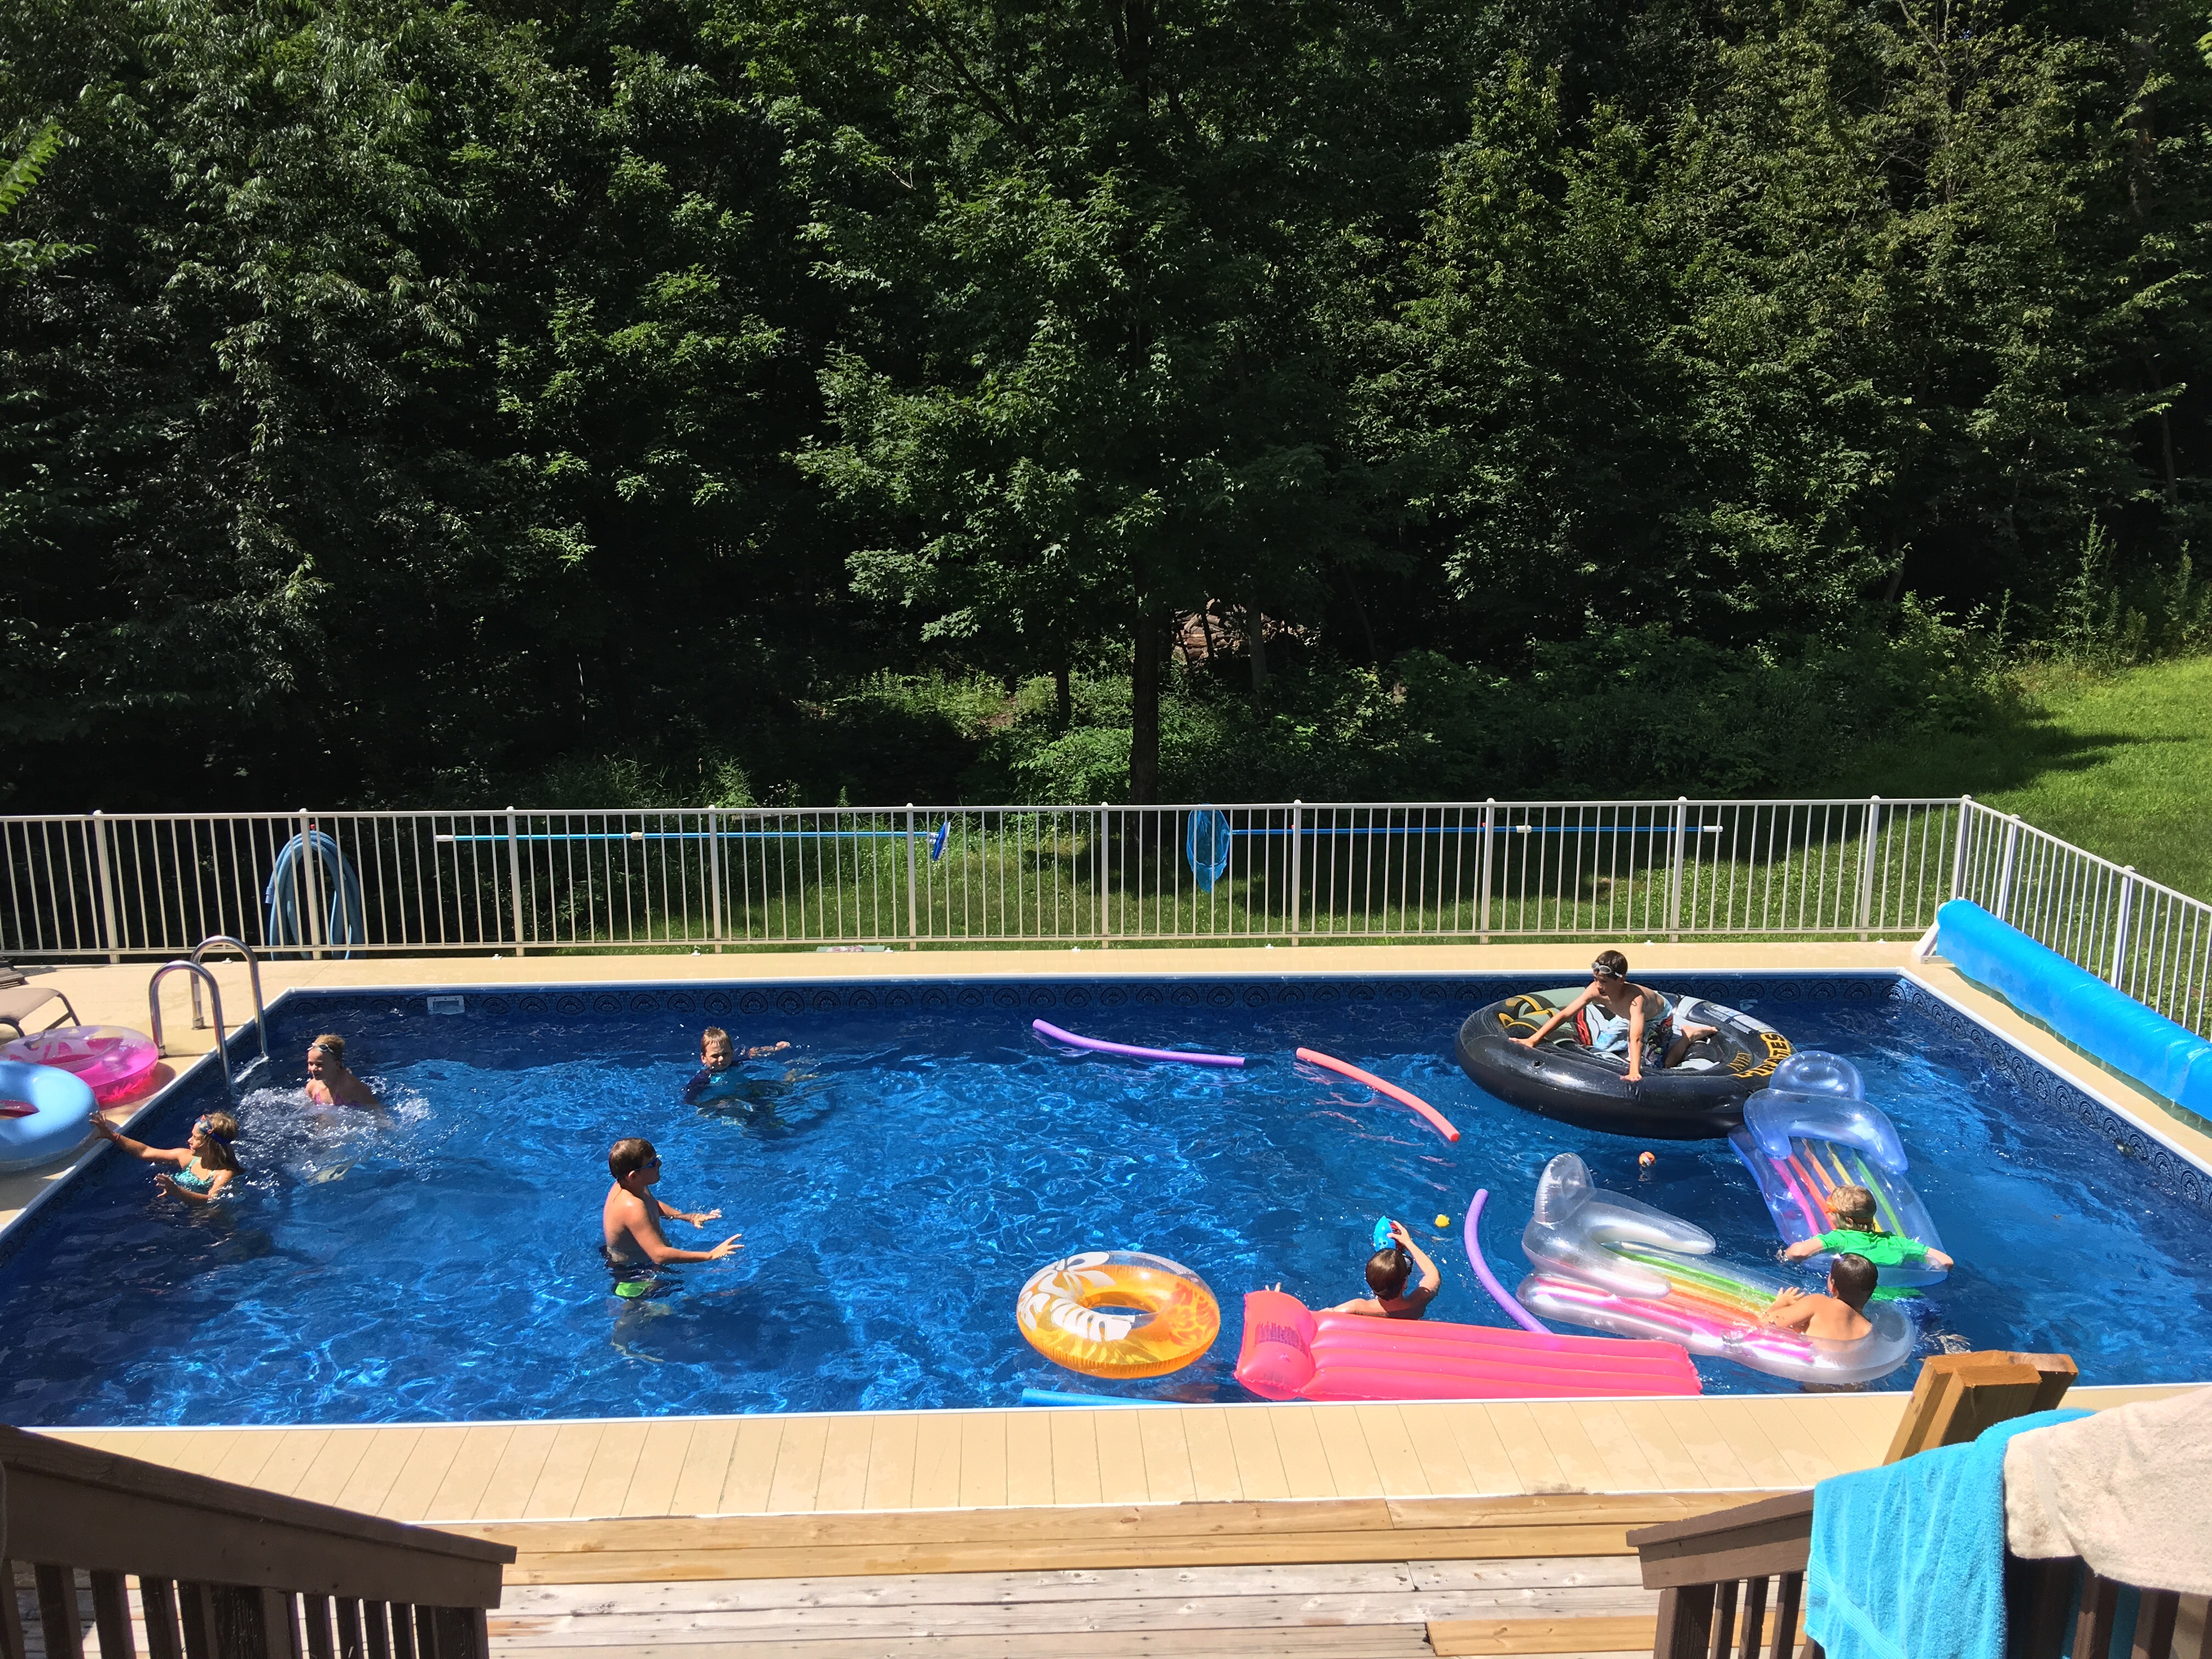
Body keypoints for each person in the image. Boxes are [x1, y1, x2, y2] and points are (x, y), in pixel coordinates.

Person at [1510, 951, 1718, 1084]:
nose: (1599, 986)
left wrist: (1634, 1071)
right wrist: (1533, 1040)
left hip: (1656, 1019)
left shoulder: (1635, 999)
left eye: (1604, 982)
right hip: (1625, 1017)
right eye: (1596, 979)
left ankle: (1687, 1037)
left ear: (1621, 980)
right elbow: (1565, 1014)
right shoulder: (1595, 990)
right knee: (1600, 1049)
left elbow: (1636, 1037)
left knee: (1659, 1067)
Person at [602, 1137, 742, 1295]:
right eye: (653, 1163)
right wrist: (710, 1255)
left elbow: (653, 1204)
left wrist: (686, 1216)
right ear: (633, 1176)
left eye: (657, 1159)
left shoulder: (632, 1186)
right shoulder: (632, 1207)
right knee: (672, 1306)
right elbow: (659, 1255)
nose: (660, 1164)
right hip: (633, 1275)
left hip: (641, 1262)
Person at [1781, 1184, 1954, 1274]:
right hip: (1909, 1297)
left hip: (1872, 1301)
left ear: (1848, 1221)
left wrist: (1783, 1256)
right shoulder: (1895, 1242)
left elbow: (1799, 1252)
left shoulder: (1840, 1238)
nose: (1829, 1215)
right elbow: (1946, 1262)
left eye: (1831, 1211)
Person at [89, 1110, 241, 1204]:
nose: (189, 1140)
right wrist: (112, 1135)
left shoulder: (224, 1174)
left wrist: (177, 1191)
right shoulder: (186, 1157)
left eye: (196, 1138)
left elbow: (212, 1200)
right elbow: (145, 1152)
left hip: (203, 1213)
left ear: (212, 1146)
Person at [1329, 1221, 1442, 1319]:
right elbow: (1433, 1274)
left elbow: (1324, 1316)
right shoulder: (1417, 1304)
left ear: (1369, 1283)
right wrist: (1408, 1243)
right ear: (1404, 1284)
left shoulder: (1357, 1308)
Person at [1761, 1252, 1879, 1342]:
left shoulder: (1818, 1303)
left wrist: (1781, 1302)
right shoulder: (1868, 1328)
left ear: (1833, 1286)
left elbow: (1769, 1323)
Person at [682, 1026, 792, 1105]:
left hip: (748, 1090)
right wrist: (716, 1103)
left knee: (784, 1089)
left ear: (732, 1053)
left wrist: (776, 1048)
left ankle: (790, 1079)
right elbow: (689, 1101)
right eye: (715, 1056)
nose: (721, 1059)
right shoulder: (703, 1080)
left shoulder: (734, 1062)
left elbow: (753, 1052)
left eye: (726, 1054)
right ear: (704, 1058)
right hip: (730, 1101)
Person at [304, 1035, 381, 1107]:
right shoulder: (312, 1088)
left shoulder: (351, 1087)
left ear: (337, 1064)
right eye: (310, 1064)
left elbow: (376, 1108)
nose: (313, 1069)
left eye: (319, 1065)